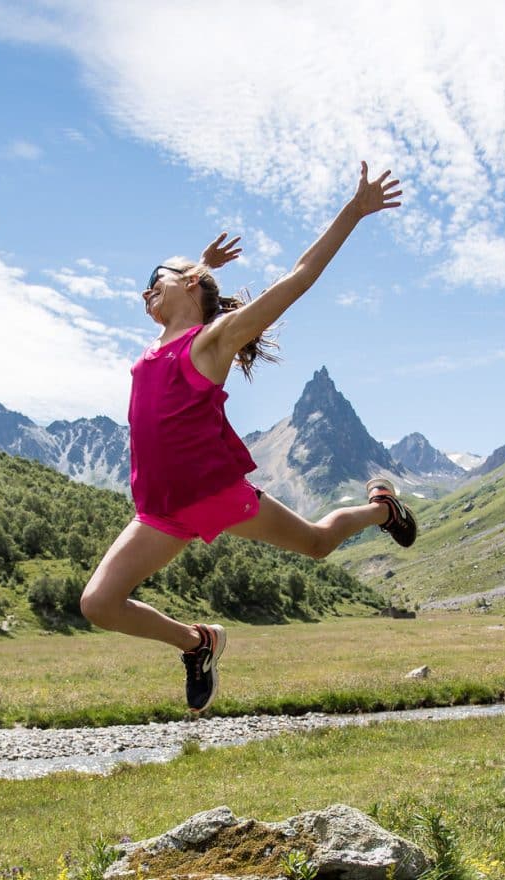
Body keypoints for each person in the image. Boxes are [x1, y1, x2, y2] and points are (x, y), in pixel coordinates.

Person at [79, 161, 417, 714]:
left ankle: (382, 509)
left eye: (153, 282)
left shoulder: (213, 342)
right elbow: (184, 283)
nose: (144, 294)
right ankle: (199, 643)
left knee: (316, 543)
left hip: (214, 493)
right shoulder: (163, 338)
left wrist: (353, 212)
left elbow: (297, 279)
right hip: (160, 511)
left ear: (186, 286)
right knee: (98, 603)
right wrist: (202, 265)